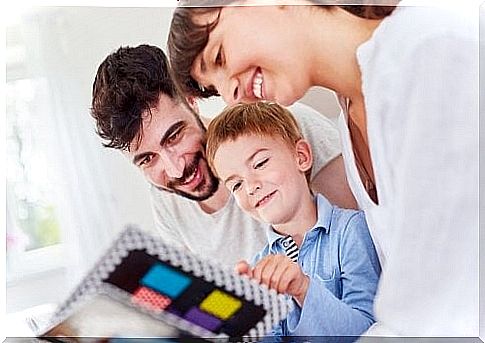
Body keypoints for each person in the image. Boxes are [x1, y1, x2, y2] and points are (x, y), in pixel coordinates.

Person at [167, 1, 479, 336]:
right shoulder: (352, 115)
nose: (231, 94)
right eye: (216, 88)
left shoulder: (427, 52)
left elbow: (436, 302)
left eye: (219, 57)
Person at [90, 44, 357, 268]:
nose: (175, 169)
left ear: (190, 100)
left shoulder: (279, 128)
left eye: (174, 136)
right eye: (148, 159)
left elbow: (365, 241)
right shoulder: (165, 202)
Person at [205, 101, 381, 337]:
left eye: (260, 163)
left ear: (301, 156)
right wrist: (242, 320)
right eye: (236, 184)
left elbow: (366, 330)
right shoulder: (260, 267)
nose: (251, 187)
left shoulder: (350, 231)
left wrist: (302, 289)